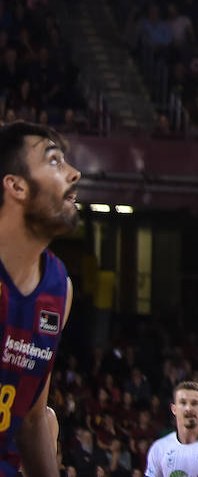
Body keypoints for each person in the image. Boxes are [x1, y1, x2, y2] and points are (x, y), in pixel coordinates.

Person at [0, 122, 80, 477]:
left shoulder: (59, 288)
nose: (74, 174)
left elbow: (31, 417)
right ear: (16, 185)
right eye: (54, 161)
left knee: (47, 420)